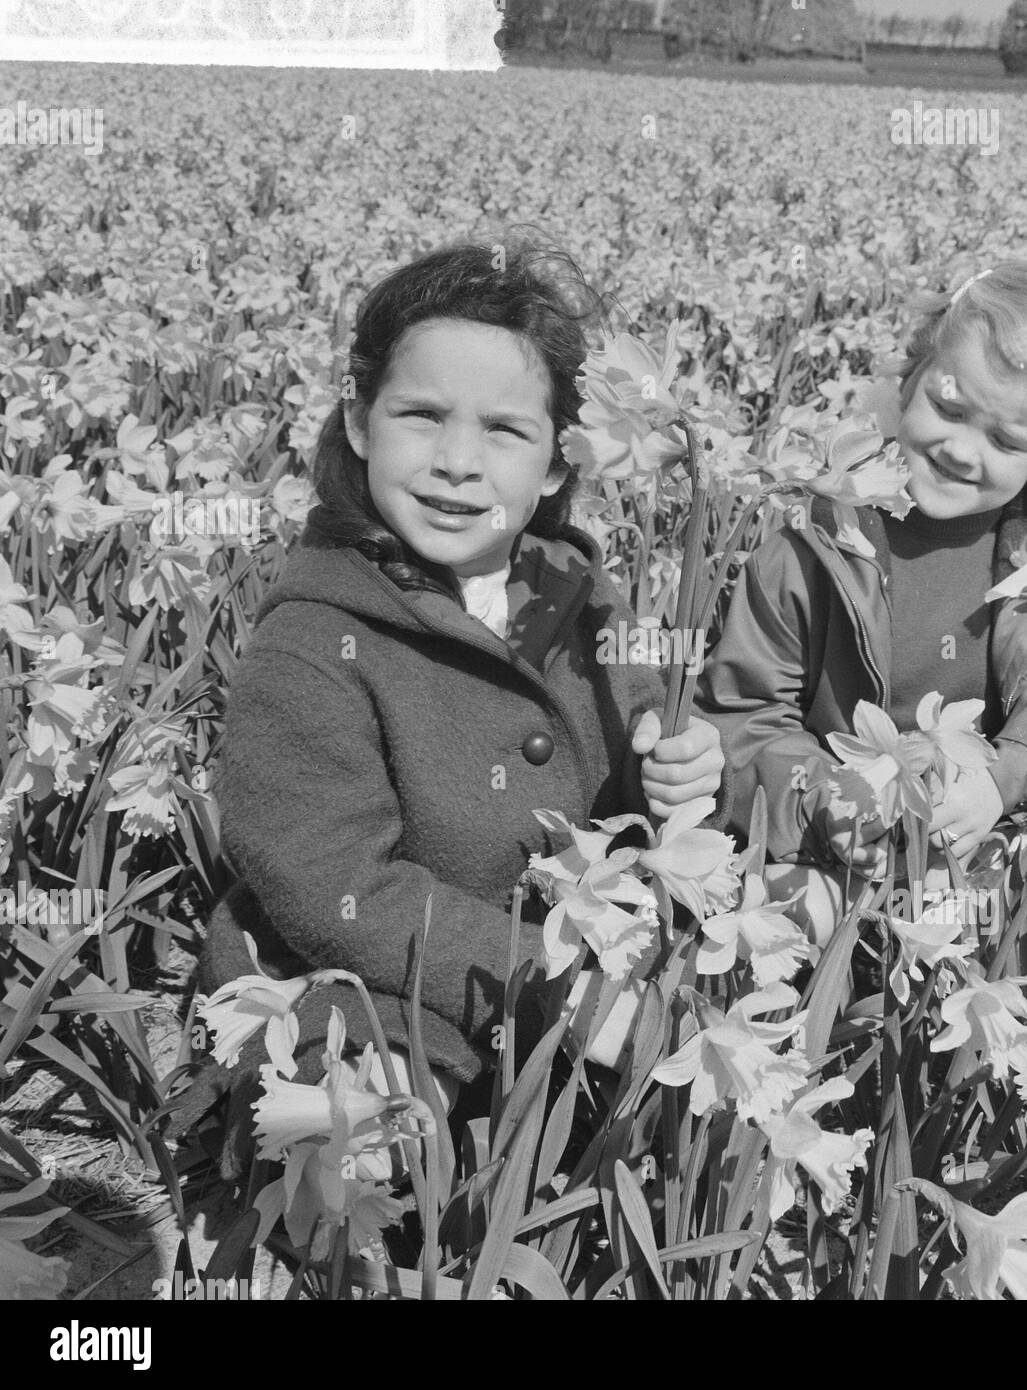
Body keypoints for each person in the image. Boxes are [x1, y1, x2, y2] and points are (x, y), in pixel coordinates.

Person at [191, 233, 727, 1158]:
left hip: (569, 953)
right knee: (382, 1137)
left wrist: (676, 769)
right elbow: (336, 891)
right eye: (421, 415)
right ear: (358, 423)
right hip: (379, 978)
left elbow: (631, 754)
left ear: (558, 464)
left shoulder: (576, 593)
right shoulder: (313, 641)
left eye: (505, 430)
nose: (456, 461)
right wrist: (563, 986)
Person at [695, 260, 1027, 939]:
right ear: (908, 376)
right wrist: (831, 799)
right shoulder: (808, 549)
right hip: (832, 847)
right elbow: (739, 721)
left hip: (990, 838)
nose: (961, 450)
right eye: (946, 406)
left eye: (1005, 441)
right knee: (775, 917)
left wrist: (1002, 779)